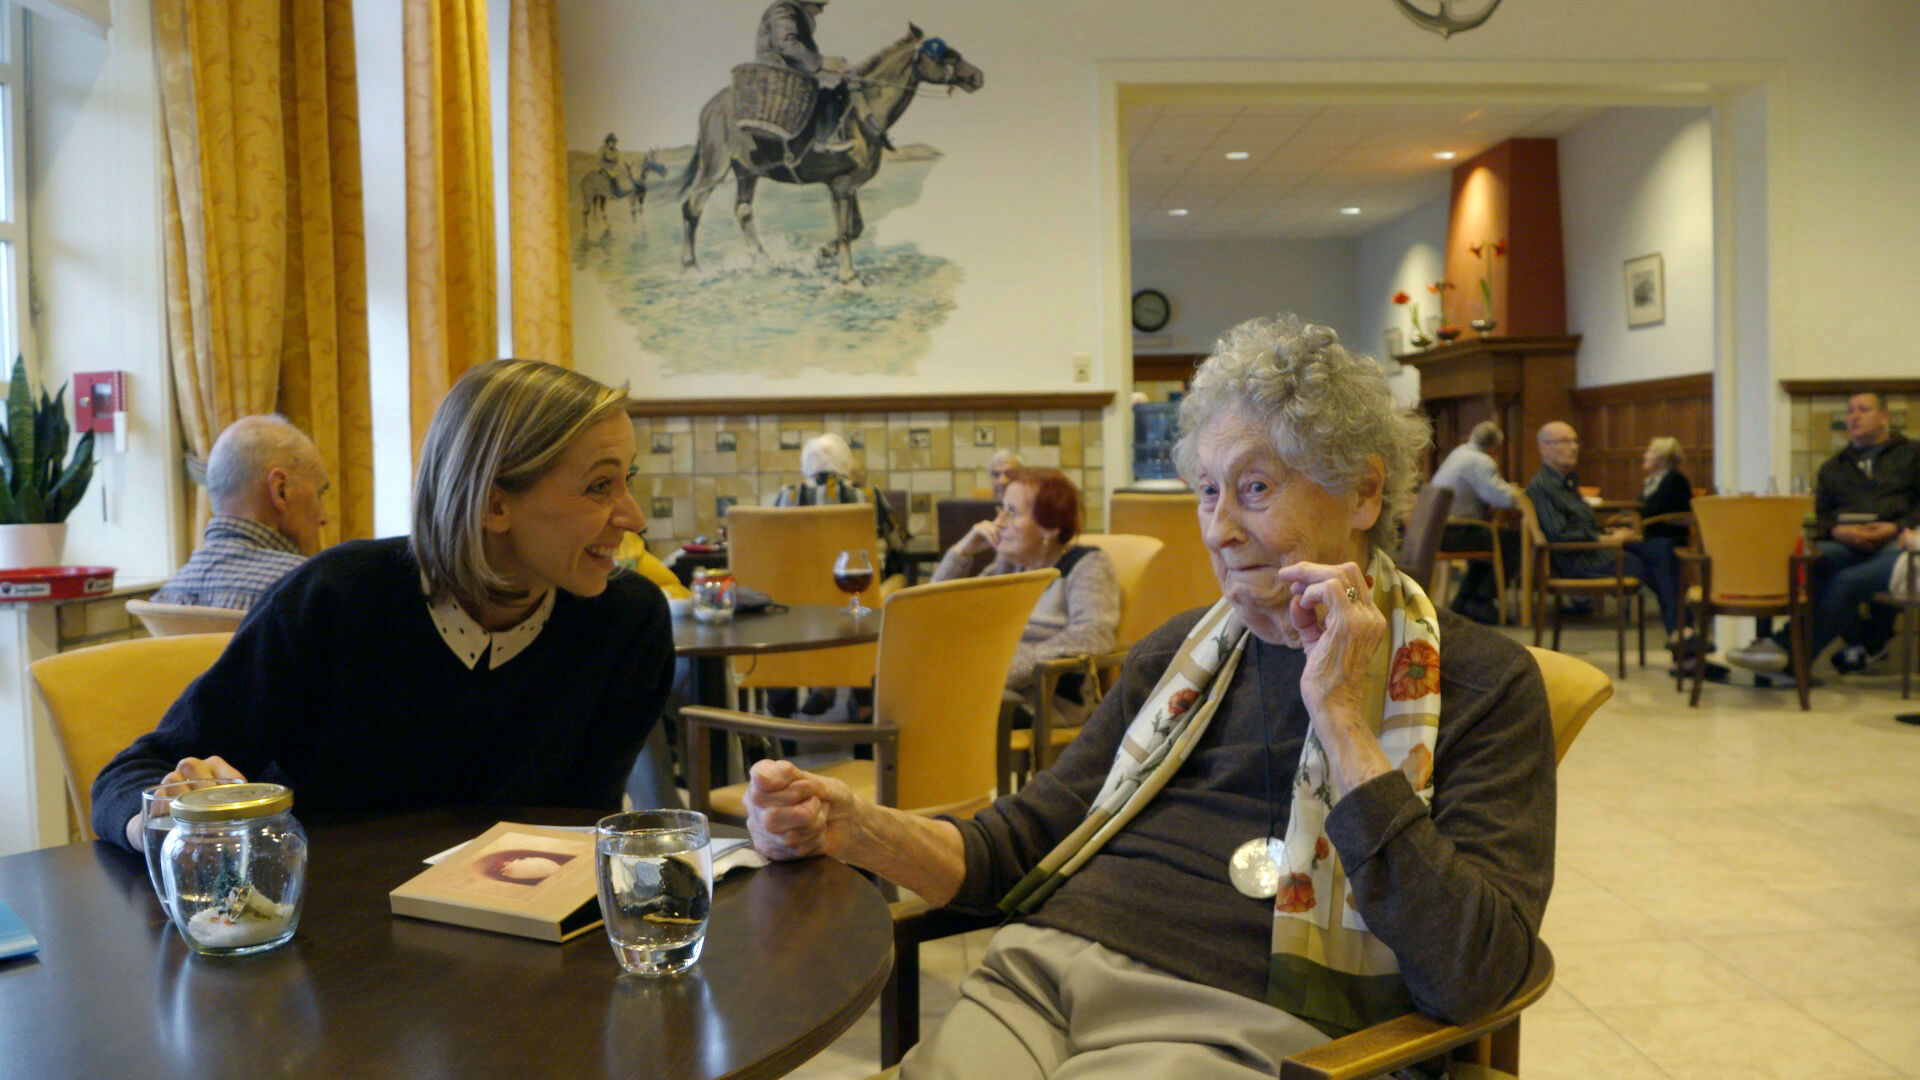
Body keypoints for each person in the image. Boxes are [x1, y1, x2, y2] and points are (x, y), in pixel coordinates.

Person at [746, 315, 1554, 1076]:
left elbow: (1476, 971)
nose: (1218, 529)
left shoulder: (1482, 683)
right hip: (1038, 975)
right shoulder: (1177, 658)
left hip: (1234, 1021)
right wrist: (854, 827)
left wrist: (1340, 717)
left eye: (1256, 488)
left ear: (1364, 493)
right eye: (1208, 491)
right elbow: (1021, 841)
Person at [91, 360, 676, 852]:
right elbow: (130, 777)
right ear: (495, 505)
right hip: (330, 948)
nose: (634, 517)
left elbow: (580, 830)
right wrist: (163, 818)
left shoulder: (626, 623)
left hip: (518, 941)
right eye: (600, 486)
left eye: (627, 480)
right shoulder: (335, 600)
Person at [1730, 391, 1920, 675]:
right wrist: (1838, 530)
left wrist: (1897, 525)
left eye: (1863, 409)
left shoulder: (1912, 454)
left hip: (1901, 542)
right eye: (1850, 410)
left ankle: (1788, 654)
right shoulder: (1834, 467)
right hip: (1847, 542)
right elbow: (1821, 516)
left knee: (1846, 581)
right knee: (1812, 562)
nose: (1854, 416)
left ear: (1884, 417)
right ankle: (1867, 640)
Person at [933, 466, 1120, 728]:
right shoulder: (1010, 566)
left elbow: (1094, 635)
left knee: (936, 713)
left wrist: (1003, 670)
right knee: (910, 701)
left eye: (1013, 513)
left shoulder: (1087, 564)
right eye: (1001, 510)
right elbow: (935, 611)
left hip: (1048, 702)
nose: (999, 523)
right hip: (995, 691)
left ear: (1050, 527)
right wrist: (962, 552)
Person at [1527, 421, 1689, 656]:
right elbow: (1558, 534)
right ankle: (1684, 637)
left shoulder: (1567, 482)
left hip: (1595, 550)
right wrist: (1601, 539)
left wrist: (1608, 534)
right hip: (1580, 560)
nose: (1573, 447)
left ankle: (1682, 636)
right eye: (1564, 442)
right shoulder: (1542, 486)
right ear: (1544, 448)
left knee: (1663, 549)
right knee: (1662, 561)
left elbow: (1580, 525)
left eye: (1575, 441)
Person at [151, 415, 330, 611]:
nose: (324, 517)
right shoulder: (310, 589)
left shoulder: (167, 595)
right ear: (281, 490)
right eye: (319, 494)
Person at [774, 432, 907, 572]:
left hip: (797, 590)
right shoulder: (869, 496)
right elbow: (898, 543)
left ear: (805, 464)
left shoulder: (787, 496)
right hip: (859, 586)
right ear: (845, 462)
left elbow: (773, 547)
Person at [1429, 421, 1520, 625]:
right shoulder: (1480, 461)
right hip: (1455, 531)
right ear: (1495, 448)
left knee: (1492, 541)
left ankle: (1464, 599)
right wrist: (1517, 492)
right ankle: (1481, 600)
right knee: (1511, 541)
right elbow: (1500, 497)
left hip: (1439, 530)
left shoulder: (1459, 453)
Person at [753, 0, 852, 151]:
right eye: (819, 6)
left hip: (793, 65)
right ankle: (825, 140)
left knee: (840, 79)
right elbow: (785, 43)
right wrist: (822, 62)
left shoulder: (793, 11)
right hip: (780, 67)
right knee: (835, 83)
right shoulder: (783, 8)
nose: (821, 11)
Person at [1638, 436, 1694, 546]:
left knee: (1621, 548)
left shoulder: (1674, 480)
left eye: (1650, 452)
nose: (1645, 456)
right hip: (1649, 533)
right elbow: (1642, 508)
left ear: (1662, 457)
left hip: (1666, 538)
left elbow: (1654, 510)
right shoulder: (1653, 481)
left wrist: (1630, 521)